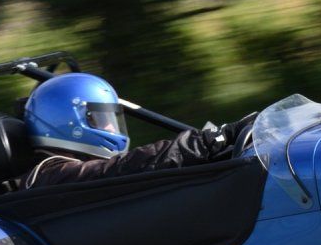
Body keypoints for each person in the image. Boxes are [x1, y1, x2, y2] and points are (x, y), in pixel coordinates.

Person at [17, 72, 254, 189]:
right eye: (101, 119)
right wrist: (207, 142)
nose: (111, 127)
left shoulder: (62, 170)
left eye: (111, 118)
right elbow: (121, 168)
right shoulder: (50, 175)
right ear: (68, 123)